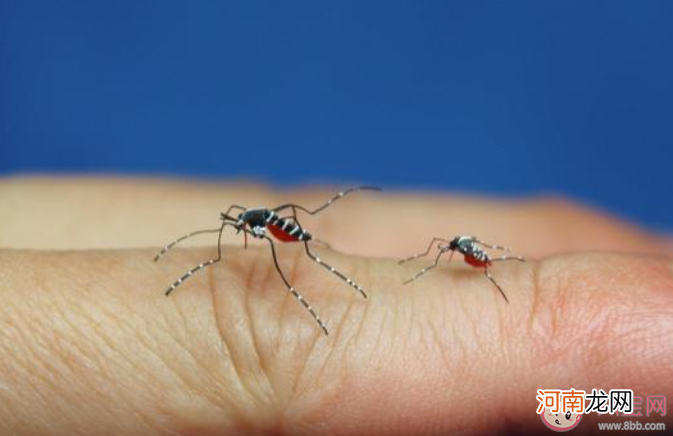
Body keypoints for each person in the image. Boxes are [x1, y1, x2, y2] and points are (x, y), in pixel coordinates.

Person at [0, 176, 671, 435]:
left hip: (300, 225)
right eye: (247, 224)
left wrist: (297, 236)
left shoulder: (268, 226)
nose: (244, 229)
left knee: (272, 257)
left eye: (245, 224)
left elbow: (274, 220)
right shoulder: (250, 223)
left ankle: (310, 269)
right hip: (297, 223)